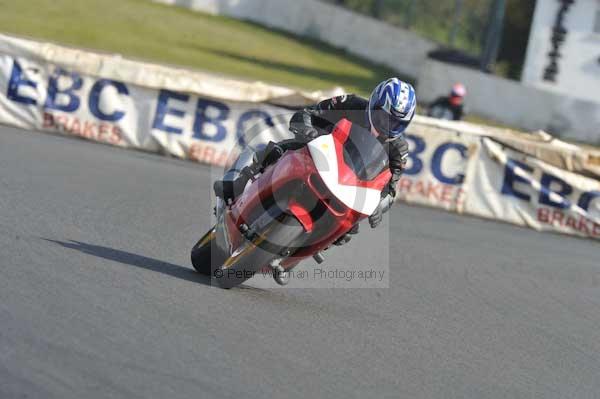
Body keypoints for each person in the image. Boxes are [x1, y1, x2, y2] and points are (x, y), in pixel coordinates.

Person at [214, 78, 417, 245]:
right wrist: (306, 127)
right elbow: (310, 112)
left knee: (350, 228)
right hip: (318, 154)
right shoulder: (351, 104)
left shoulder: (398, 150)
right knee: (279, 150)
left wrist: (379, 206)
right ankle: (238, 183)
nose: (388, 125)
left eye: (397, 123)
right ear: (374, 104)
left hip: (350, 184)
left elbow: (389, 187)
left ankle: (311, 247)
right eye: (383, 116)